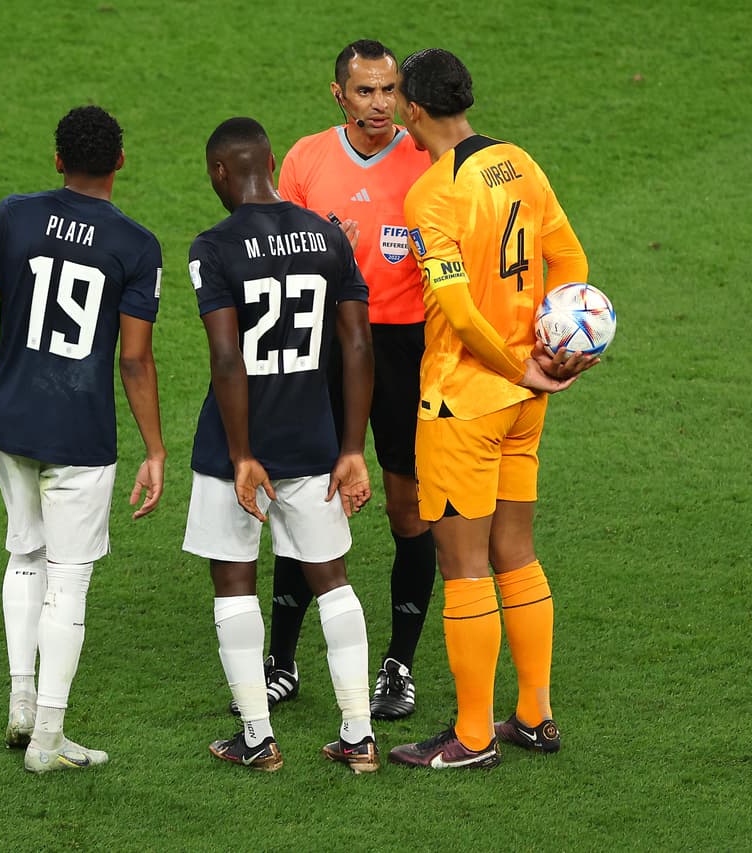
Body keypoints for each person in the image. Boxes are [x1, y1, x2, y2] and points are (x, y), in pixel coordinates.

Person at [386, 49, 600, 769]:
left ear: (414, 110)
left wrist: (517, 366)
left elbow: (457, 311)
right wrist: (555, 347)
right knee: (517, 552)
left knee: (465, 569)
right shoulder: (519, 162)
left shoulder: (432, 195)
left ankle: (472, 736)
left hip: (464, 403)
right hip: (523, 406)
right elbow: (571, 263)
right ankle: (535, 715)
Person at [0, 105, 166, 773]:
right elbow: (134, 360)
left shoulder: (12, 215)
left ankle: (21, 700)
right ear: (121, 161)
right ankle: (47, 738)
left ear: (56, 157)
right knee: (69, 577)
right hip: (80, 432)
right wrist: (154, 449)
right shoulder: (137, 244)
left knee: (23, 552)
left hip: (10, 420)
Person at [245, 38, 433, 722]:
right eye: (365, 92)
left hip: (404, 347)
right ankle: (283, 661)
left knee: (406, 505)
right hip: (321, 347)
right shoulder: (305, 159)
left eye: (389, 91)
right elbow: (270, 259)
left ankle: (398, 666)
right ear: (338, 95)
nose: (380, 105)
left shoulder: (426, 158)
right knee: (305, 498)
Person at [183, 117, 378, 774]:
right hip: (314, 437)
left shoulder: (212, 246)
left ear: (219, 172)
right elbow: (356, 343)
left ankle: (258, 738)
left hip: (236, 444)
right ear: (270, 159)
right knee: (333, 581)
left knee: (234, 582)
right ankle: (358, 734)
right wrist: (351, 446)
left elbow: (225, 355)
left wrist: (241, 455)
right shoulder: (327, 235)